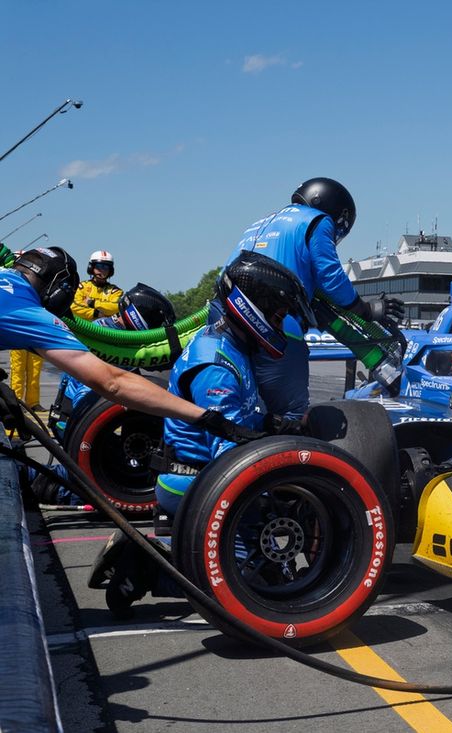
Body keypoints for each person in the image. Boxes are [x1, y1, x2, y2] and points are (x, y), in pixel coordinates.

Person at [91, 253, 316, 617]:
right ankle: (143, 566)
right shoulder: (217, 365)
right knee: (251, 587)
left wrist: (279, 426)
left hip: (200, 474)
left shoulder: (230, 343)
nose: (279, 325)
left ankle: (162, 556)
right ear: (253, 308)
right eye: (277, 316)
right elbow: (230, 454)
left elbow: (238, 421)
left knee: (272, 574)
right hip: (193, 480)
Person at [0, 246, 261, 475]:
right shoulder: (30, 311)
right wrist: (205, 417)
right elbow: (111, 383)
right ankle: (38, 481)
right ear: (59, 291)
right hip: (72, 423)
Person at [222, 177, 404, 420]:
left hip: (225, 315)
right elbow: (329, 276)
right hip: (274, 321)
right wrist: (366, 310)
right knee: (290, 414)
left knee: (239, 404)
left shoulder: (260, 223)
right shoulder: (317, 220)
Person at [32, 284, 178, 504]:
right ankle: (37, 481)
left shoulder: (107, 330)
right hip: (73, 421)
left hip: (67, 415)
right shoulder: (112, 343)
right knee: (109, 483)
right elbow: (88, 400)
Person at [72, 250, 123, 321]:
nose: (101, 270)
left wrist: (93, 303)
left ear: (110, 271)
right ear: (91, 268)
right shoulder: (81, 287)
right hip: (80, 326)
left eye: (105, 267)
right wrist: (96, 313)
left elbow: (116, 307)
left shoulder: (115, 291)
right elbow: (73, 306)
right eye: (98, 267)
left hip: (103, 327)